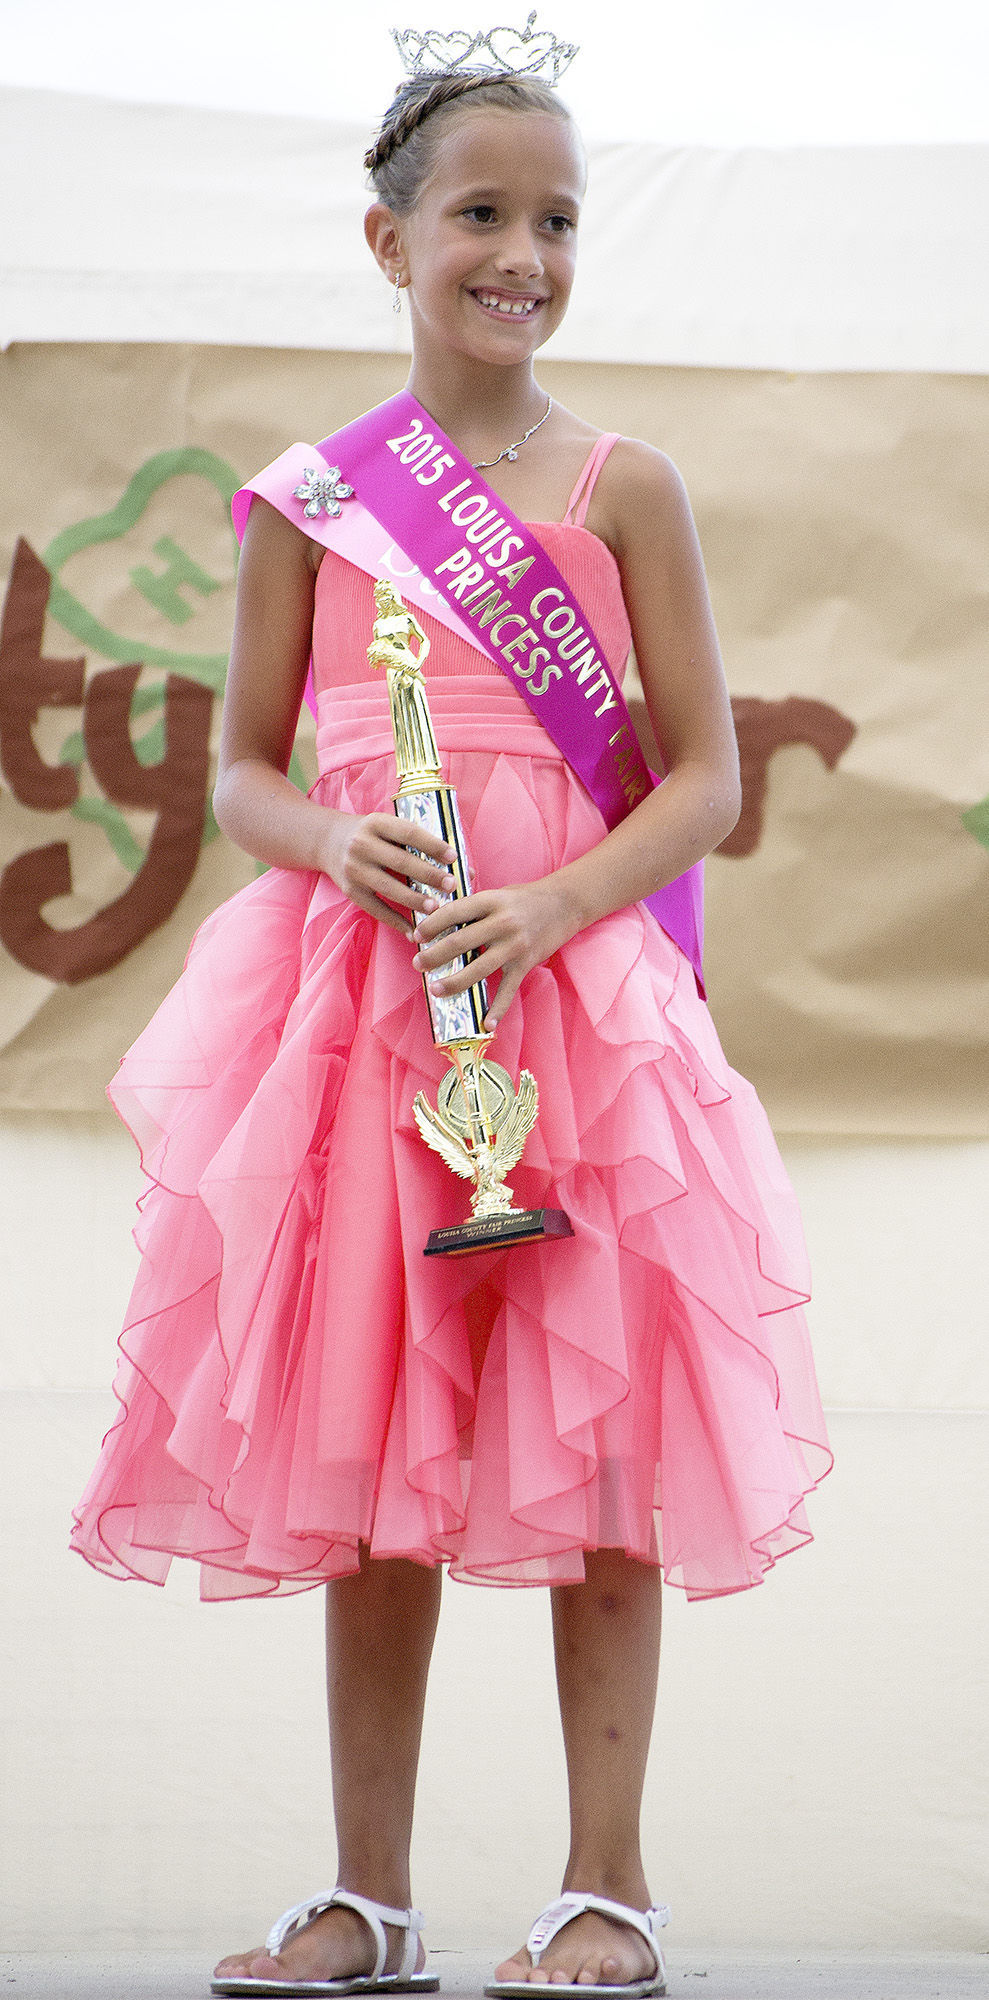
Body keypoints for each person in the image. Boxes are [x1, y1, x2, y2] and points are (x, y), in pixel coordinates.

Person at [71, 51, 832, 2000]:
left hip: (571, 1005)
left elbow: (699, 781)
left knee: (602, 1450)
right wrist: (337, 839)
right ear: (388, 238)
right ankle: (372, 1898)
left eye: (556, 219)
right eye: (480, 214)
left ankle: (609, 1891)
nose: (520, 252)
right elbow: (243, 769)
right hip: (365, 1013)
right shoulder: (314, 506)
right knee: (371, 1440)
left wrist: (565, 901)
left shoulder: (625, 488)